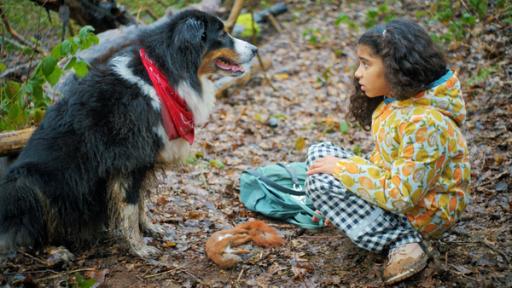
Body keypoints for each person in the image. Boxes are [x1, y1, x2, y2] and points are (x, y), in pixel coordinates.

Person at [305, 19, 470, 285]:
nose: (358, 73)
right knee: (319, 153)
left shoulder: (426, 123)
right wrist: (345, 185)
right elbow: (385, 165)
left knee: (321, 180)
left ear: (395, 67)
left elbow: (402, 196)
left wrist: (343, 171)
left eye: (366, 64)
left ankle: (404, 242)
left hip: (423, 215)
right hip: (399, 195)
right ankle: (364, 220)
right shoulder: (395, 104)